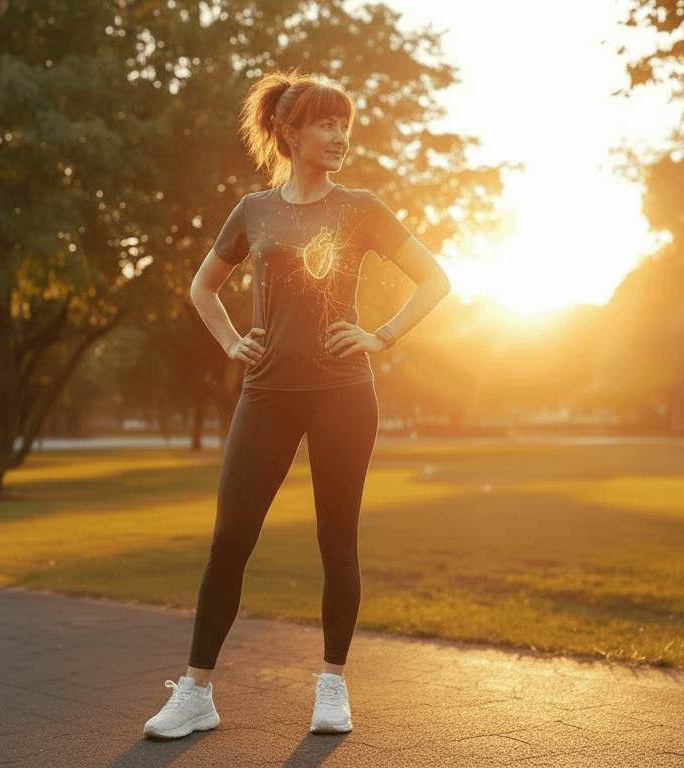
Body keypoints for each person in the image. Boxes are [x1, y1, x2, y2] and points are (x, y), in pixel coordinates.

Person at [143, 69, 451, 740]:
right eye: (325, 123)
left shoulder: (363, 207)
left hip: (344, 395)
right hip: (268, 394)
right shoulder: (253, 211)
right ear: (289, 131)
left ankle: (333, 685)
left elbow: (436, 277)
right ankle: (195, 694)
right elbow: (203, 287)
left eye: (345, 123)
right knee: (229, 542)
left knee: (336, 544)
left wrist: (382, 334)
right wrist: (230, 341)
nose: (340, 135)